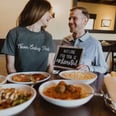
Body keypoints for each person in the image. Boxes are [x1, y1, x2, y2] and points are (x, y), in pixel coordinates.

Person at [1, 0, 54, 74]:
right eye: (48, 12)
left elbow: (50, 65)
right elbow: (10, 66)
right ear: (37, 10)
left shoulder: (48, 37)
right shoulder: (14, 33)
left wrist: (47, 83)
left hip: (43, 82)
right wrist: (19, 82)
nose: (51, 16)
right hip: (20, 82)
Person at [61, 6, 108, 73]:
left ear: (85, 21)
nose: (70, 21)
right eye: (69, 18)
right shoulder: (64, 40)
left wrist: (89, 68)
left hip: (82, 82)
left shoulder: (94, 44)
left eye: (75, 18)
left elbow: (103, 68)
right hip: (64, 81)